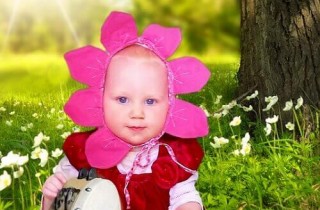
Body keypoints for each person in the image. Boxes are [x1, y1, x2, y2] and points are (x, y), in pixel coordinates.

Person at [42, 11, 210, 210]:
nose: (137, 113)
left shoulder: (173, 156)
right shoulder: (84, 155)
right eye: (122, 99)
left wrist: (188, 206)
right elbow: (62, 205)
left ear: (170, 104)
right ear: (100, 100)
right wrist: (51, 197)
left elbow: (185, 198)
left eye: (150, 101)